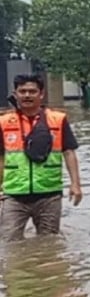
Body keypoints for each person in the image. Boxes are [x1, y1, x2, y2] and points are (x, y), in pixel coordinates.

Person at [0, 74, 83, 240]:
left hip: (49, 194)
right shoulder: (3, 122)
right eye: (22, 91)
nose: (27, 95)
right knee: (9, 243)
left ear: (41, 94)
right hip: (13, 194)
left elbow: (69, 152)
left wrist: (76, 184)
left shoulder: (58, 120)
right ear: (15, 94)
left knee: (49, 243)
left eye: (32, 91)